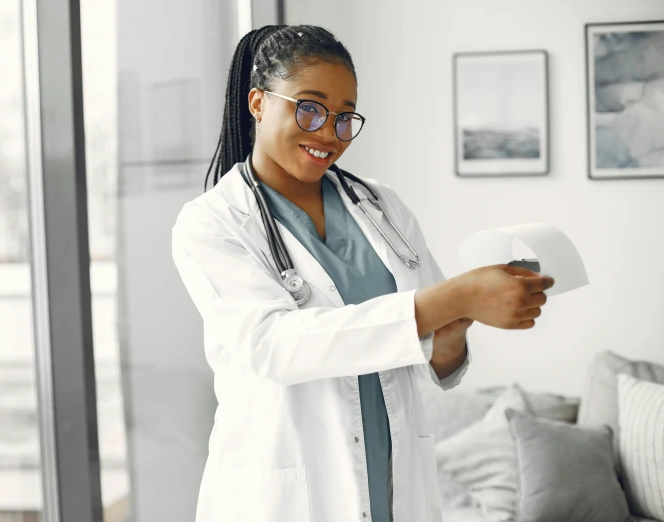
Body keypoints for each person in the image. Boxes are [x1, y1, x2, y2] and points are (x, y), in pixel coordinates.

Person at [171, 25, 553, 522]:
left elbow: (432, 354)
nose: (330, 132)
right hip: (290, 493)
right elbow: (273, 344)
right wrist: (452, 299)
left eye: (346, 116)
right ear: (258, 102)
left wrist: (456, 328)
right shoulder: (213, 222)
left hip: (394, 485)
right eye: (309, 107)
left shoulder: (380, 206)